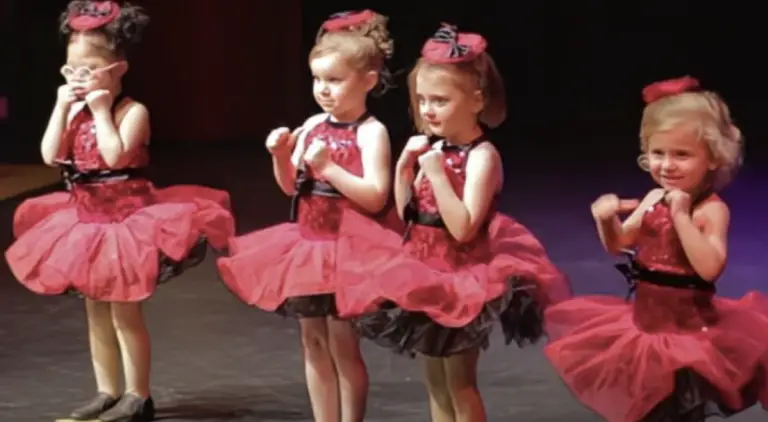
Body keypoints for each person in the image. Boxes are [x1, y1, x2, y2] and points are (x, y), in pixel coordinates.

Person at [5, 1, 235, 421]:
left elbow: (113, 154)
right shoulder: (72, 109)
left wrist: (97, 111)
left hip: (124, 224)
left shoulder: (133, 112)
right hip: (84, 221)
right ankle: (106, 390)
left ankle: (137, 394)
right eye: (71, 69)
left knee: (124, 313)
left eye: (89, 69)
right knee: (95, 312)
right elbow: (49, 155)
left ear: (117, 69)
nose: (79, 79)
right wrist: (62, 106)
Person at [331, 24, 571, 422]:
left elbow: (463, 227)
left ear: (477, 99)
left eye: (440, 100)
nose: (427, 110)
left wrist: (438, 174)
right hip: (424, 271)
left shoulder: (482, 156)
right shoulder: (435, 149)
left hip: (462, 278)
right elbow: (409, 216)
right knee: (436, 383)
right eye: (422, 100)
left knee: (460, 385)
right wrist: (406, 172)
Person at [544, 76, 768, 422]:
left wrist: (680, 216)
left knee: (680, 411)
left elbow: (710, 267)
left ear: (712, 158)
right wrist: (606, 221)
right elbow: (621, 245)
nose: (667, 165)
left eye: (681, 155)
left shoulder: (710, 210)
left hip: (689, 336)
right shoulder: (652, 199)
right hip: (645, 328)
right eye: (657, 153)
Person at [216, 10, 397, 422]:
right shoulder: (314, 124)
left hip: (348, 251)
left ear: (368, 80)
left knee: (342, 343)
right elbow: (291, 186)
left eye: (335, 80)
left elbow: (375, 197)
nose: (324, 90)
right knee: (312, 341)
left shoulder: (371, 132)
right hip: (307, 247)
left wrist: (331, 168)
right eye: (318, 80)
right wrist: (281, 156)